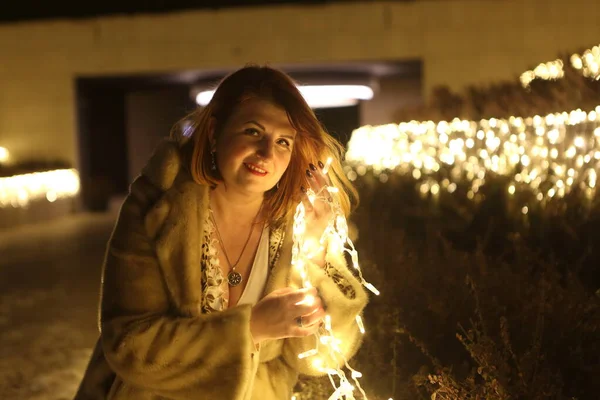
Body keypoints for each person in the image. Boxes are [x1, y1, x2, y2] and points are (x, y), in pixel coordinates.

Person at [74, 65, 369, 400]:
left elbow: (321, 357)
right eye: (253, 132)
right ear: (214, 132)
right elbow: (129, 345)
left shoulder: (296, 226)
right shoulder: (160, 207)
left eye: (283, 141)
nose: (267, 153)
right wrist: (250, 328)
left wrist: (314, 252)